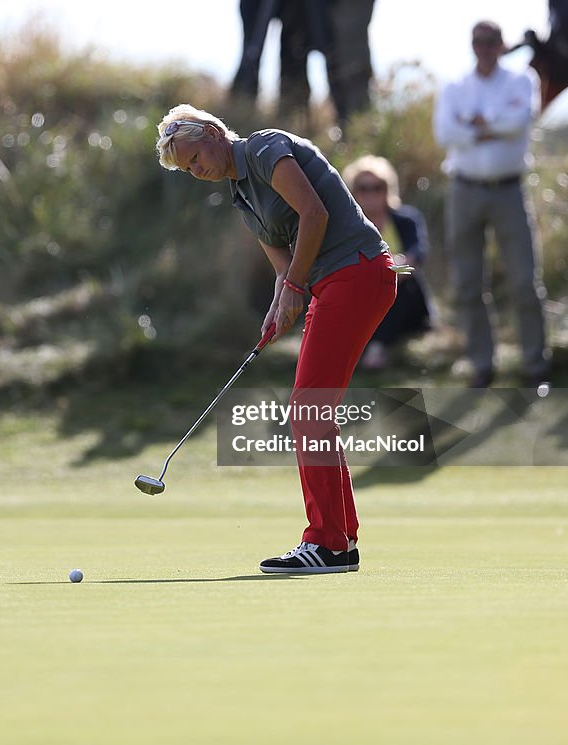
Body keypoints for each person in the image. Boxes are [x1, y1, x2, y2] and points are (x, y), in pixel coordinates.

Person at [156, 103, 398, 574]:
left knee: (308, 409)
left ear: (210, 132)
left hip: (357, 273)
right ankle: (340, 541)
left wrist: (293, 290)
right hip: (335, 283)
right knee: (313, 411)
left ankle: (327, 542)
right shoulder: (241, 197)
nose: (197, 170)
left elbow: (314, 213)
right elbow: (284, 267)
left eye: (194, 158)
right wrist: (278, 304)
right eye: (187, 169)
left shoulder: (266, 149)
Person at [433, 21, 550, 389]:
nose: (483, 47)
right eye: (478, 42)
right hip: (464, 191)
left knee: (523, 282)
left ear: (501, 45)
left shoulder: (520, 80)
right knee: (468, 283)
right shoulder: (455, 86)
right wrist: (486, 127)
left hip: (508, 191)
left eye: (490, 41)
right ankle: (482, 364)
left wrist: (474, 127)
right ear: (472, 45)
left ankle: (535, 365)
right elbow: (444, 133)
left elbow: (519, 123)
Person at [342, 155, 433, 369]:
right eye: (363, 188)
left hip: (403, 298)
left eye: (378, 187)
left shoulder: (407, 219)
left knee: (402, 281)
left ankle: (377, 347)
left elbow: (418, 252)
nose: (371, 193)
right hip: (362, 299)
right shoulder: (345, 227)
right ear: (353, 191)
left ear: (388, 188)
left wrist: (394, 268)